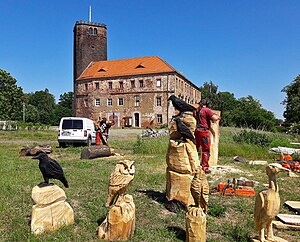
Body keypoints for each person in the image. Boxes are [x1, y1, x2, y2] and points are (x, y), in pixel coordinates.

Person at [194, 99, 221, 174]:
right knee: (206, 150)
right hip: (203, 132)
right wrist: (218, 117)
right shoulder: (206, 110)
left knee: (195, 148)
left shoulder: (196, 110)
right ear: (206, 104)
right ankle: (205, 167)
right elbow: (214, 118)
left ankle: (193, 164)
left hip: (197, 131)